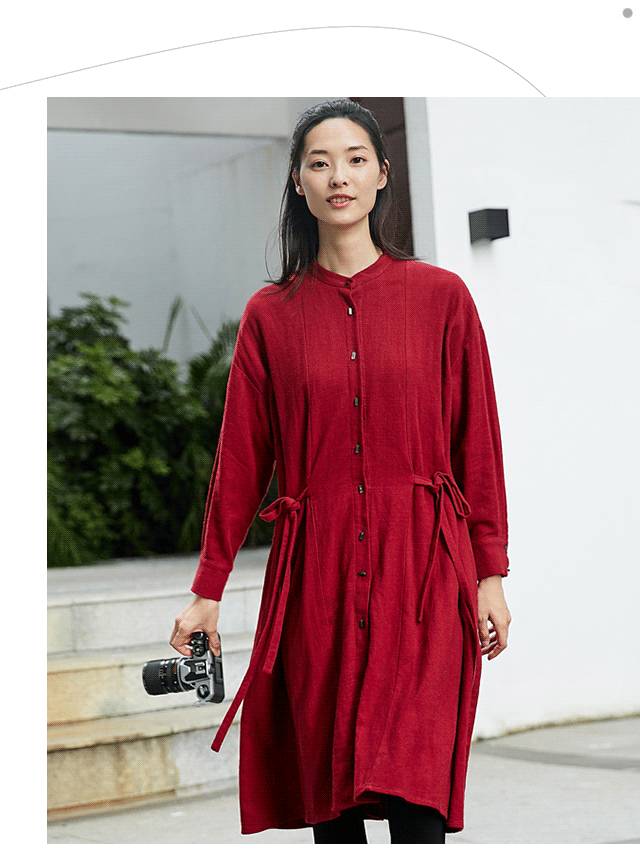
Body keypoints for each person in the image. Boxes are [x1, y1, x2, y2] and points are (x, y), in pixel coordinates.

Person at [170, 98, 512, 843]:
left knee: (419, 800)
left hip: (424, 571)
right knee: (334, 804)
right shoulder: (271, 314)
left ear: (382, 174)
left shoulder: (442, 298)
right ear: (298, 182)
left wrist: (490, 573)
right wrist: (207, 589)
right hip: (316, 576)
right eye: (320, 163)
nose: (339, 178)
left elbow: (478, 445)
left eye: (355, 160)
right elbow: (240, 461)